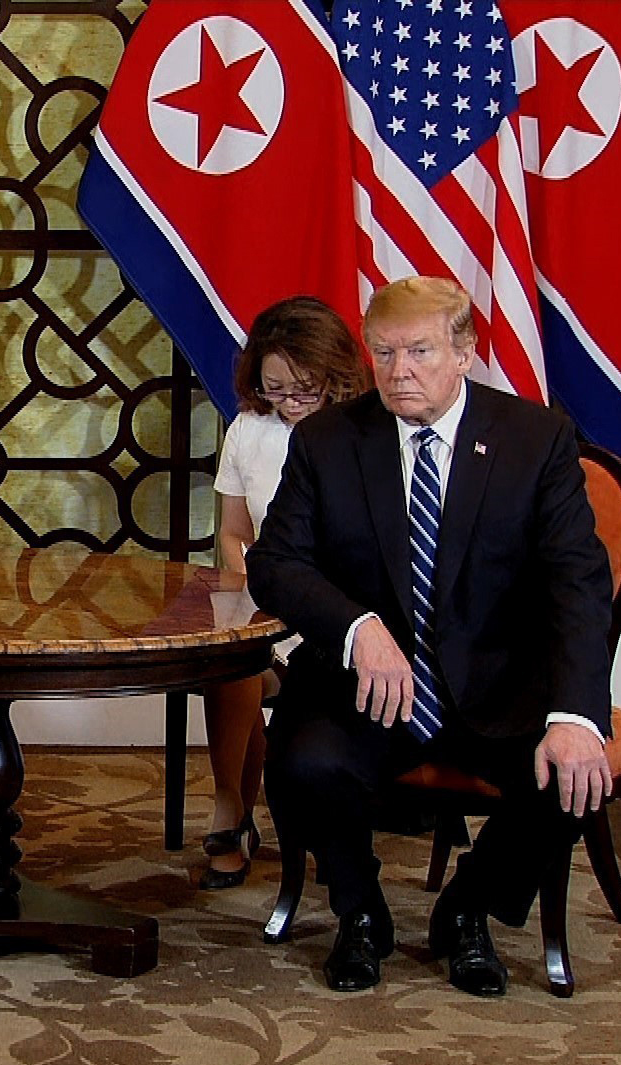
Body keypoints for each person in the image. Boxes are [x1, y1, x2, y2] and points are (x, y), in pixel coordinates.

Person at [246, 276, 614, 996]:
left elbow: (577, 584)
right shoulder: (327, 440)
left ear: (464, 353)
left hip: (496, 686)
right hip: (366, 687)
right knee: (302, 760)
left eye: (419, 351)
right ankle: (360, 912)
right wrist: (357, 627)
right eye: (383, 353)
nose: (398, 371)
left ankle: (469, 909)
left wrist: (575, 715)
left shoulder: (534, 439)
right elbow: (275, 564)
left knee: (573, 778)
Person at [199, 297, 370, 890]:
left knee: (257, 668)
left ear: (335, 373)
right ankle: (231, 807)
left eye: (305, 389)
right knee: (231, 664)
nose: (290, 403)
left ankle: (288, 818)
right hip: (267, 607)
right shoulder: (249, 431)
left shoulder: (364, 432)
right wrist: (255, 586)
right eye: (275, 389)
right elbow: (233, 533)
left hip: (340, 619)